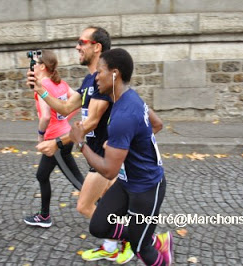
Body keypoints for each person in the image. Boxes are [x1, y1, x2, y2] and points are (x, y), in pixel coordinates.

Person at [28, 26, 134, 264]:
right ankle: (112, 245)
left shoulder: (103, 79)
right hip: (101, 154)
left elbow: (92, 121)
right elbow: (66, 108)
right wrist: (41, 90)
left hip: (107, 156)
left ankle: (135, 240)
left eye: (81, 42)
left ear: (96, 47)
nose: (77, 46)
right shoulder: (89, 79)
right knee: (108, 204)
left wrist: (57, 142)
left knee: (85, 206)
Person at [69, 48, 173, 265]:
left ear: (114, 73)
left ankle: (148, 243)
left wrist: (80, 142)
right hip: (127, 183)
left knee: (141, 248)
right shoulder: (128, 97)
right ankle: (143, 235)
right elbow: (157, 124)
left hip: (147, 188)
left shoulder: (124, 113)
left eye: (100, 72)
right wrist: (125, 144)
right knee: (98, 226)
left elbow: (109, 170)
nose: (96, 77)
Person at [23, 50, 84, 228]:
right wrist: (64, 118)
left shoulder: (42, 86)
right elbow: (76, 102)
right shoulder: (61, 83)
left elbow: (46, 117)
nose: (32, 66)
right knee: (42, 175)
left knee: (77, 180)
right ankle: (44, 216)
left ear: (42, 66)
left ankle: (107, 208)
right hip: (63, 136)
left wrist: (40, 136)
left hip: (56, 141)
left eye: (34, 63)